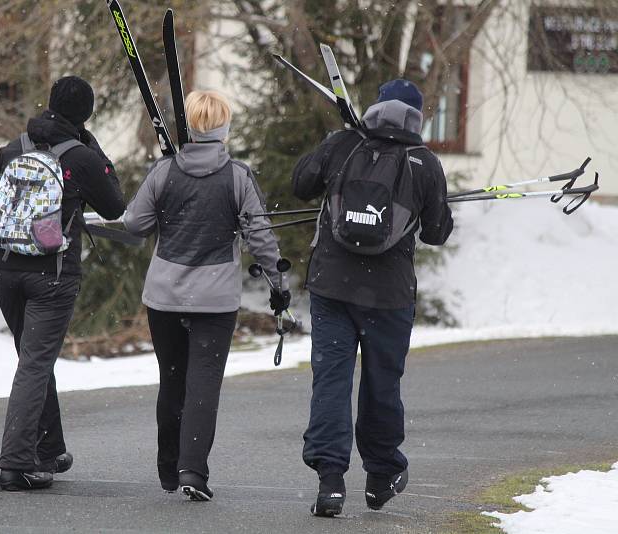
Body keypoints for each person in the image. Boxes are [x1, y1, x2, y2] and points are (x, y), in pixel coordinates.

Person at [292, 79, 454, 516]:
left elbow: (301, 183)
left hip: (332, 287)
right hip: (389, 295)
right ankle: (381, 476)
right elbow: (437, 233)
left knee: (331, 381)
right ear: (418, 116)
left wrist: (336, 147)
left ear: (376, 107)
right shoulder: (424, 162)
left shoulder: (343, 144)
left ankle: (330, 482)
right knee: (383, 384)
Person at [124, 90, 290, 501]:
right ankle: (192, 472)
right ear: (224, 130)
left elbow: (133, 223)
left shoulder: (163, 171)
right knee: (203, 386)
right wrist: (278, 285)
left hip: (164, 296)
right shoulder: (237, 176)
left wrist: (166, 212)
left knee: (173, 380)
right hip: (215, 302)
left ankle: (167, 467)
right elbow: (261, 238)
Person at [0, 76, 126, 491]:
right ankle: (16, 464)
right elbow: (115, 206)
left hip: (6, 272)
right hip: (53, 276)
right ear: (86, 115)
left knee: (34, 359)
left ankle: (49, 449)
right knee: (35, 363)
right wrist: (95, 151)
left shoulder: (14, 148)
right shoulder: (80, 156)